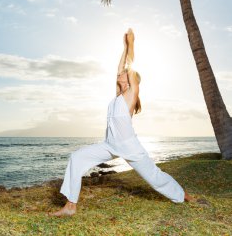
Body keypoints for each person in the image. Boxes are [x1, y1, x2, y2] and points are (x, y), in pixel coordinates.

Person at [49, 29, 194, 217]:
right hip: (109, 145)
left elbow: (129, 67)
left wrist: (132, 43)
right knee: (77, 158)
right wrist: (124, 46)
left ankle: (183, 195)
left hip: (129, 146)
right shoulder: (118, 96)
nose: (120, 74)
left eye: (125, 74)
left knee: (154, 176)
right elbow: (120, 68)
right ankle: (70, 206)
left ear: (131, 79)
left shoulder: (131, 95)